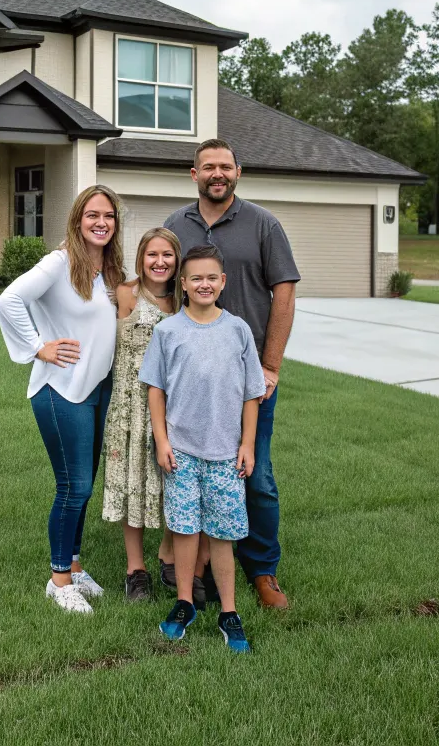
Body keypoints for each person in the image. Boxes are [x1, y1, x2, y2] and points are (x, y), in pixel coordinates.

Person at [163, 138, 300, 609]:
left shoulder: (264, 224)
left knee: (254, 473)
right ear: (194, 173)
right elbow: (159, 288)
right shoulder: (175, 225)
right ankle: (192, 569)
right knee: (190, 472)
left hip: (247, 381)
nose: (216, 174)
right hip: (190, 381)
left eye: (225, 166)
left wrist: (271, 365)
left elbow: (284, 294)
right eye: (208, 167)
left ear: (237, 172)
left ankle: (262, 570)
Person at [0, 185, 125, 614]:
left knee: (84, 485)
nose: (100, 222)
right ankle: (58, 579)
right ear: (77, 219)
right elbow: (8, 299)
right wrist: (38, 346)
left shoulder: (109, 269)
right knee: (75, 486)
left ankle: (73, 563)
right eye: (92, 214)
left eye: (108, 215)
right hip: (60, 390)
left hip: (96, 390)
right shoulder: (60, 261)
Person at [140, 244, 265, 650]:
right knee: (184, 529)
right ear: (184, 284)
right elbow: (155, 390)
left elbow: (251, 394)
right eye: (196, 278)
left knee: (223, 536)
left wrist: (247, 444)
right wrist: (162, 441)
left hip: (226, 455)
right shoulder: (168, 331)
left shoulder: (238, 330)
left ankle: (229, 611)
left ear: (223, 282)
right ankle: (184, 604)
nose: (204, 284)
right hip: (181, 453)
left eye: (212, 277)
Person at [101, 227, 183, 602]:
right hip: (130, 406)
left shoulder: (184, 301)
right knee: (132, 481)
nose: (160, 262)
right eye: (152, 254)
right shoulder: (125, 294)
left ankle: (168, 554)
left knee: (175, 482)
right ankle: (136, 570)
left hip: (176, 406)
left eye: (167, 255)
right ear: (141, 258)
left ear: (177, 260)